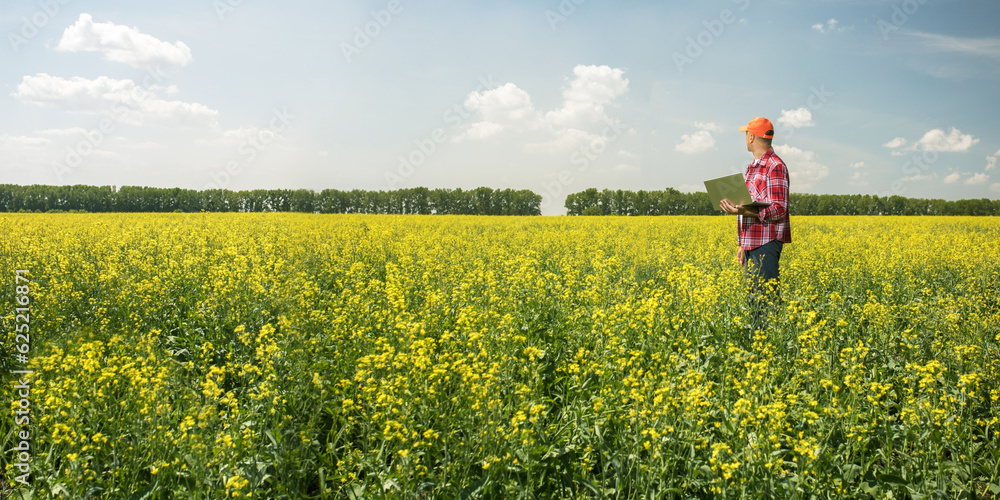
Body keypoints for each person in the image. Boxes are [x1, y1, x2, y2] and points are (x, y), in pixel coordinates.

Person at [719, 117, 791, 335]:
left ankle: (770, 346)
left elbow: (779, 208)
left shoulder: (775, 166)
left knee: (766, 300)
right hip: (753, 243)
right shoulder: (752, 167)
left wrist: (742, 210)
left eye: (746, 135)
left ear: (751, 137)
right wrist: (743, 243)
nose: (745, 139)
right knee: (755, 299)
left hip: (767, 243)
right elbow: (749, 205)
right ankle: (760, 344)